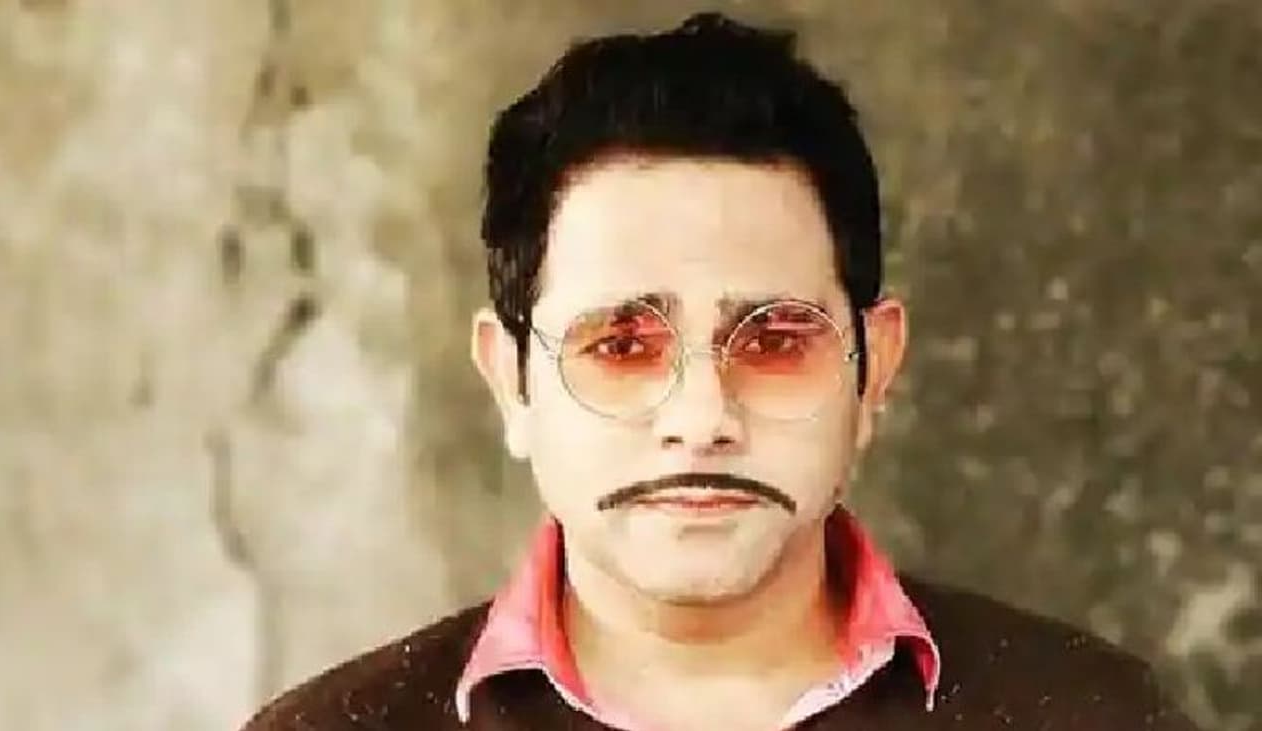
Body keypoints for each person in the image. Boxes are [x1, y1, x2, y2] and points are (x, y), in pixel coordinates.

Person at [241, 12, 1198, 730]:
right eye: (622, 345)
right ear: (511, 382)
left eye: (775, 340)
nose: (701, 416)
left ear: (873, 372)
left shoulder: (1090, 714)